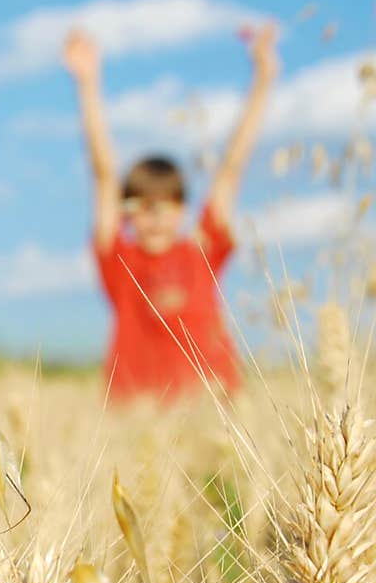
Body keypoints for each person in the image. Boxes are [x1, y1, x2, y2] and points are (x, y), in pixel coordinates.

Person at [63, 22, 279, 402]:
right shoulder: (120, 262)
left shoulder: (202, 251)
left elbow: (232, 166)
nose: (155, 217)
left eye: (166, 205)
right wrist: (87, 83)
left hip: (213, 411)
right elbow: (103, 174)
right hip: (134, 418)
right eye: (142, 207)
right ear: (126, 214)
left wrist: (263, 78)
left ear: (182, 209)